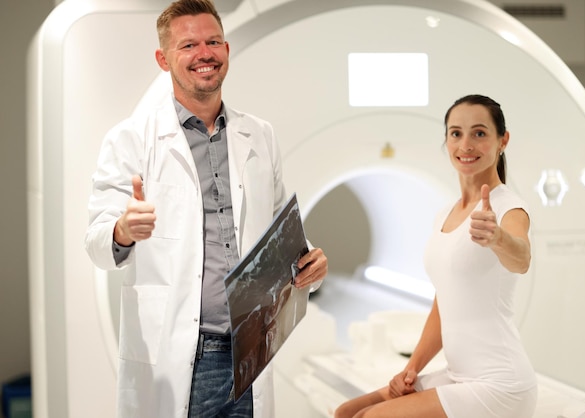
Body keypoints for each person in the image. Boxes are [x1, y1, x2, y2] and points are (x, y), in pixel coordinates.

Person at [84, 1, 328, 417]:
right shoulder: (131, 139)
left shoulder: (260, 135)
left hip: (251, 347)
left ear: (227, 50)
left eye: (213, 41)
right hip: (185, 352)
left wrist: (309, 258)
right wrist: (124, 229)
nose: (205, 53)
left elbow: (276, 228)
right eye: (189, 45)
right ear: (164, 59)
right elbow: (96, 242)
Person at [334, 94, 537, 418]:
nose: (466, 144)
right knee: (347, 412)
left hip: (499, 383)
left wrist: (498, 238)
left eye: (480, 133)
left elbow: (521, 258)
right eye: (456, 133)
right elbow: (443, 305)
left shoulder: (507, 207)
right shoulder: (445, 213)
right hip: (457, 374)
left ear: (503, 141)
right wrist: (411, 368)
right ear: (446, 140)